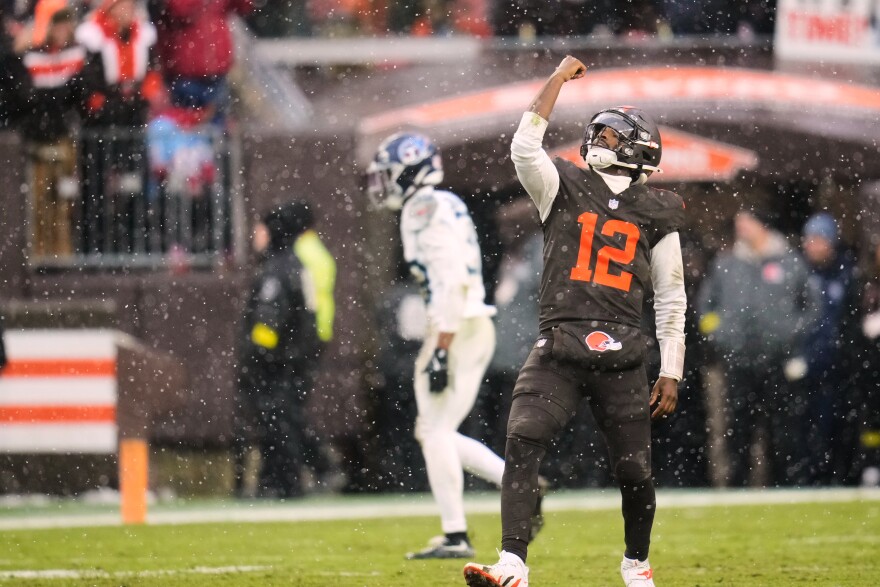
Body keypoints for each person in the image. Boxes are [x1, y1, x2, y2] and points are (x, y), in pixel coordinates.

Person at [463, 55, 686, 587]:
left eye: (610, 137)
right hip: (560, 345)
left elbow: (671, 298)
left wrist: (671, 368)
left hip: (624, 353)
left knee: (634, 470)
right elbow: (523, 146)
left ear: (636, 149)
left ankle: (636, 564)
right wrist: (556, 80)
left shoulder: (658, 210)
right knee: (523, 437)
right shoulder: (561, 184)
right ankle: (513, 563)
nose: (598, 141)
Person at [367, 132, 544, 560]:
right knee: (435, 432)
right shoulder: (444, 203)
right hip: (469, 322)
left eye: (389, 175)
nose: (383, 184)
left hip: (457, 325)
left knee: (433, 431)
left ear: (409, 171)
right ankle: (513, 484)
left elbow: (449, 279)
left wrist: (442, 343)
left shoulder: (422, 207)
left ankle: (457, 531)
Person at [698, 207, 818, 487]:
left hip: (778, 360)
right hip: (737, 361)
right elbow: (706, 308)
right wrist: (720, 334)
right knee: (738, 429)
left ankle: (785, 484)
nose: (741, 229)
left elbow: (812, 306)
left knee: (782, 429)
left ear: (762, 225)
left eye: (746, 223)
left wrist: (791, 334)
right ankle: (737, 486)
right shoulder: (726, 264)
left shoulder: (789, 262)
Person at [235, 203, 319, 498]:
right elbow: (309, 316)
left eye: (260, 228)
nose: (255, 235)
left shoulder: (275, 271)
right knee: (289, 422)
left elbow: (269, 321)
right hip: (295, 362)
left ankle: (280, 484)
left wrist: (257, 357)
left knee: (277, 425)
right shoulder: (298, 266)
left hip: (275, 367)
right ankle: (292, 481)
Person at [14, 1, 85, 258]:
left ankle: (62, 255)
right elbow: (27, 98)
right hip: (41, 140)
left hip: (65, 139)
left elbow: (78, 95)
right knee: (39, 201)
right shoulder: (32, 57)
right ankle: (41, 255)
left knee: (64, 200)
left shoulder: (76, 55)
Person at [800, 213, 860, 485]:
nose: (811, 244)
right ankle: (812, 475)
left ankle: (842, 474)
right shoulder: (799, 273)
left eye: (818, 238)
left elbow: (852, 322)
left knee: (841, 424)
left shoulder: (849, 274)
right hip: (805, 365)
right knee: (806, 426)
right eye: (808, 238)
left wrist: (846, 353)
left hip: (840, 366)